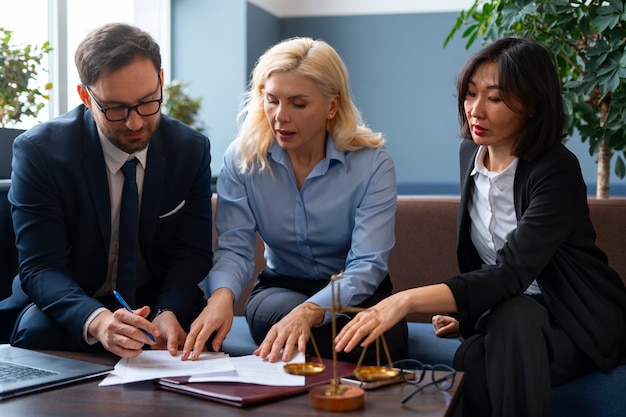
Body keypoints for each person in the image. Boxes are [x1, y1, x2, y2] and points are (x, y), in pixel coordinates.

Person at [335, 37, 626, 417]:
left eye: (495, 98)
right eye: (470, 94)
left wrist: (404, 300)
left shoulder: (556, 169)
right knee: (488, 339)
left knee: (488, 346)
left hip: (576, 323)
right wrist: (465, 316)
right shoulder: (470, 155)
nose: (475, 110)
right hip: (512, 317)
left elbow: (511, 271)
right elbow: (486, 263)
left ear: (533, 105)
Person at [181, 37, 407, 364]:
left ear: (332, 105)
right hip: (280, 290)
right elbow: (235, 248)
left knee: (375, 337)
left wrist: (312, 310)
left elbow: (367, 265)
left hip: (357, 292)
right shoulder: (242, 159)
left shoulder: (372, 162)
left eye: (298, 104)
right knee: (289, 326)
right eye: (271, 101)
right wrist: (220, 298)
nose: (280, 117)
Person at [0, 23, 213, 358]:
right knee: (35, 332)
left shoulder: (190, 150)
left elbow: (191, 253)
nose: (135, 123)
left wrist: (168, 311)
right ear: (86, 96)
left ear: (160, 79)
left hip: (153, 302)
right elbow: (41, 267)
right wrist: (97, 321)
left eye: (147, 102)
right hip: (70, 302)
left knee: (204, 338)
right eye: (115, 109)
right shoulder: (40, 152)